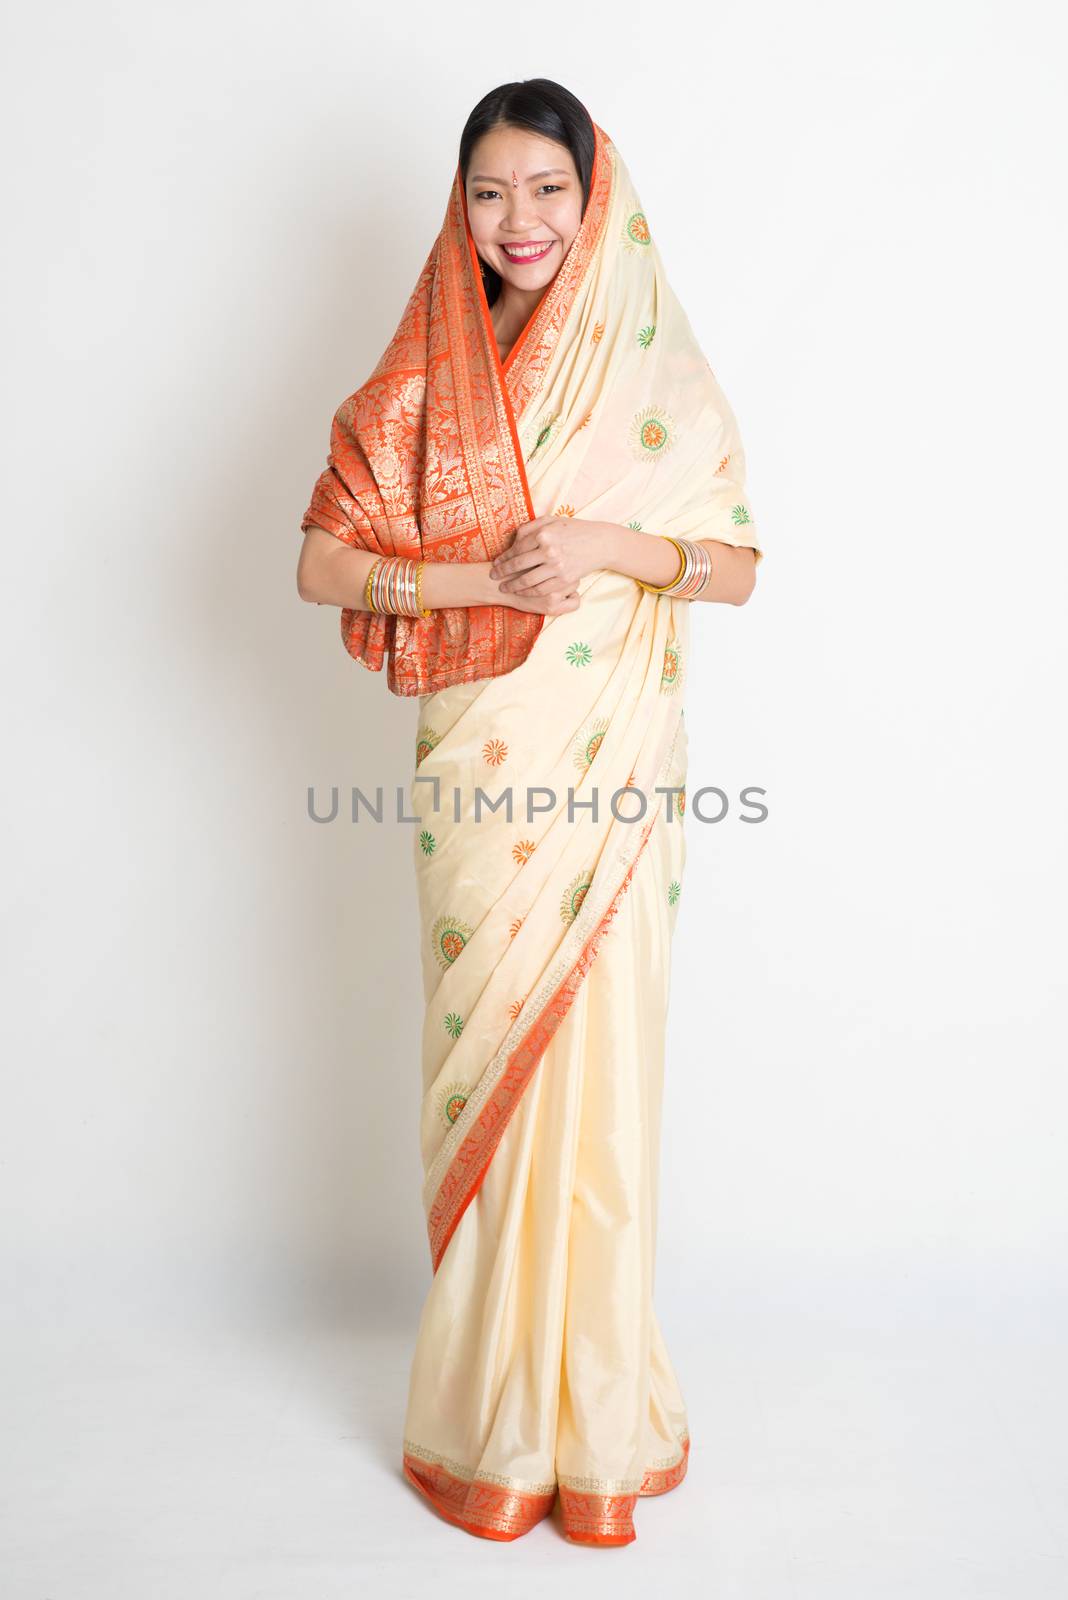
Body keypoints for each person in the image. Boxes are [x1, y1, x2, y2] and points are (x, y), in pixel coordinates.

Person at [295, 77, 763, 1546]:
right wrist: (478, 582)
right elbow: (322, 563)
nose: (521, 221)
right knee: (495, 1073)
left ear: (593, 193)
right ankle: (492, 1420)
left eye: (547, 190)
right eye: (491, 192)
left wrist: (604, 543)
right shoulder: (427, 374)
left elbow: (738, 564)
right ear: (463, 204)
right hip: (480, 778)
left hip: (616, 771)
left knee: (607, 1082)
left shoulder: (649, 362)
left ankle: (598, 1417)